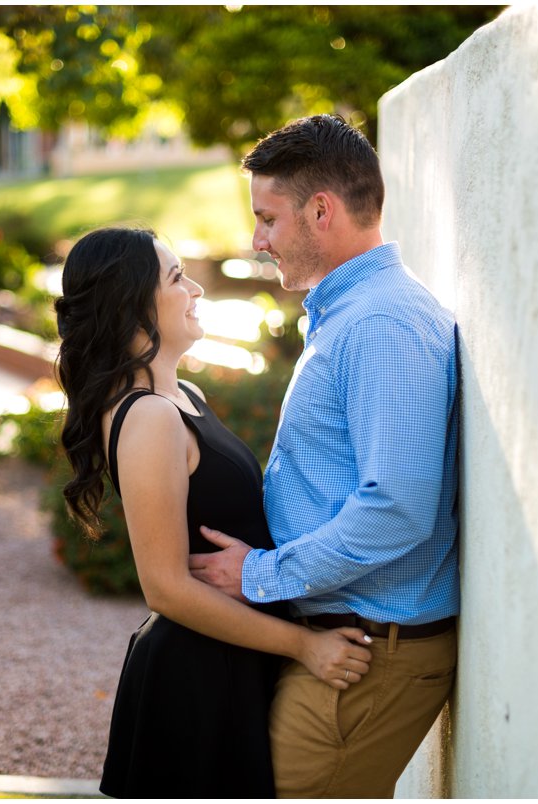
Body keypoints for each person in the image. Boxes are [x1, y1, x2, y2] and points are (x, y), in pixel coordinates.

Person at [189, 113, 461, 798]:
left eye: (268, 219)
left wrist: (262, 574)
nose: (257, 240)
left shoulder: (381, 324)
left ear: (320, 210)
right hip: (351, 645)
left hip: (366, 655)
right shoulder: (355, 314)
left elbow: (397, 508)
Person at [53, 226, 375, 798]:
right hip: (197, 676)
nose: (196, 289)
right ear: (132, 304)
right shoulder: (148, 417)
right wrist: (306, 647)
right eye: (177, 278)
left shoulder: (185, 397)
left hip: (234, 659)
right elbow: (166, 589)